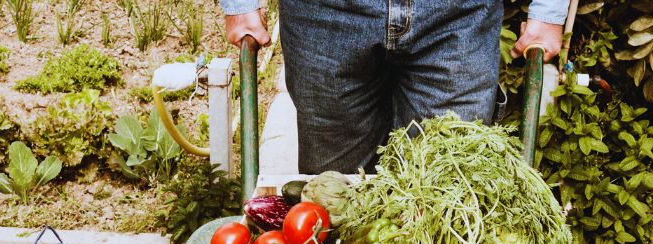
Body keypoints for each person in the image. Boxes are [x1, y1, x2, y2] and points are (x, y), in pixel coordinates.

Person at [220, 0, 566, 173]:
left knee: (445, 190)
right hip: (325, 14)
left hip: (458, 15)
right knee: (332, 196)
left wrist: (549, 9)